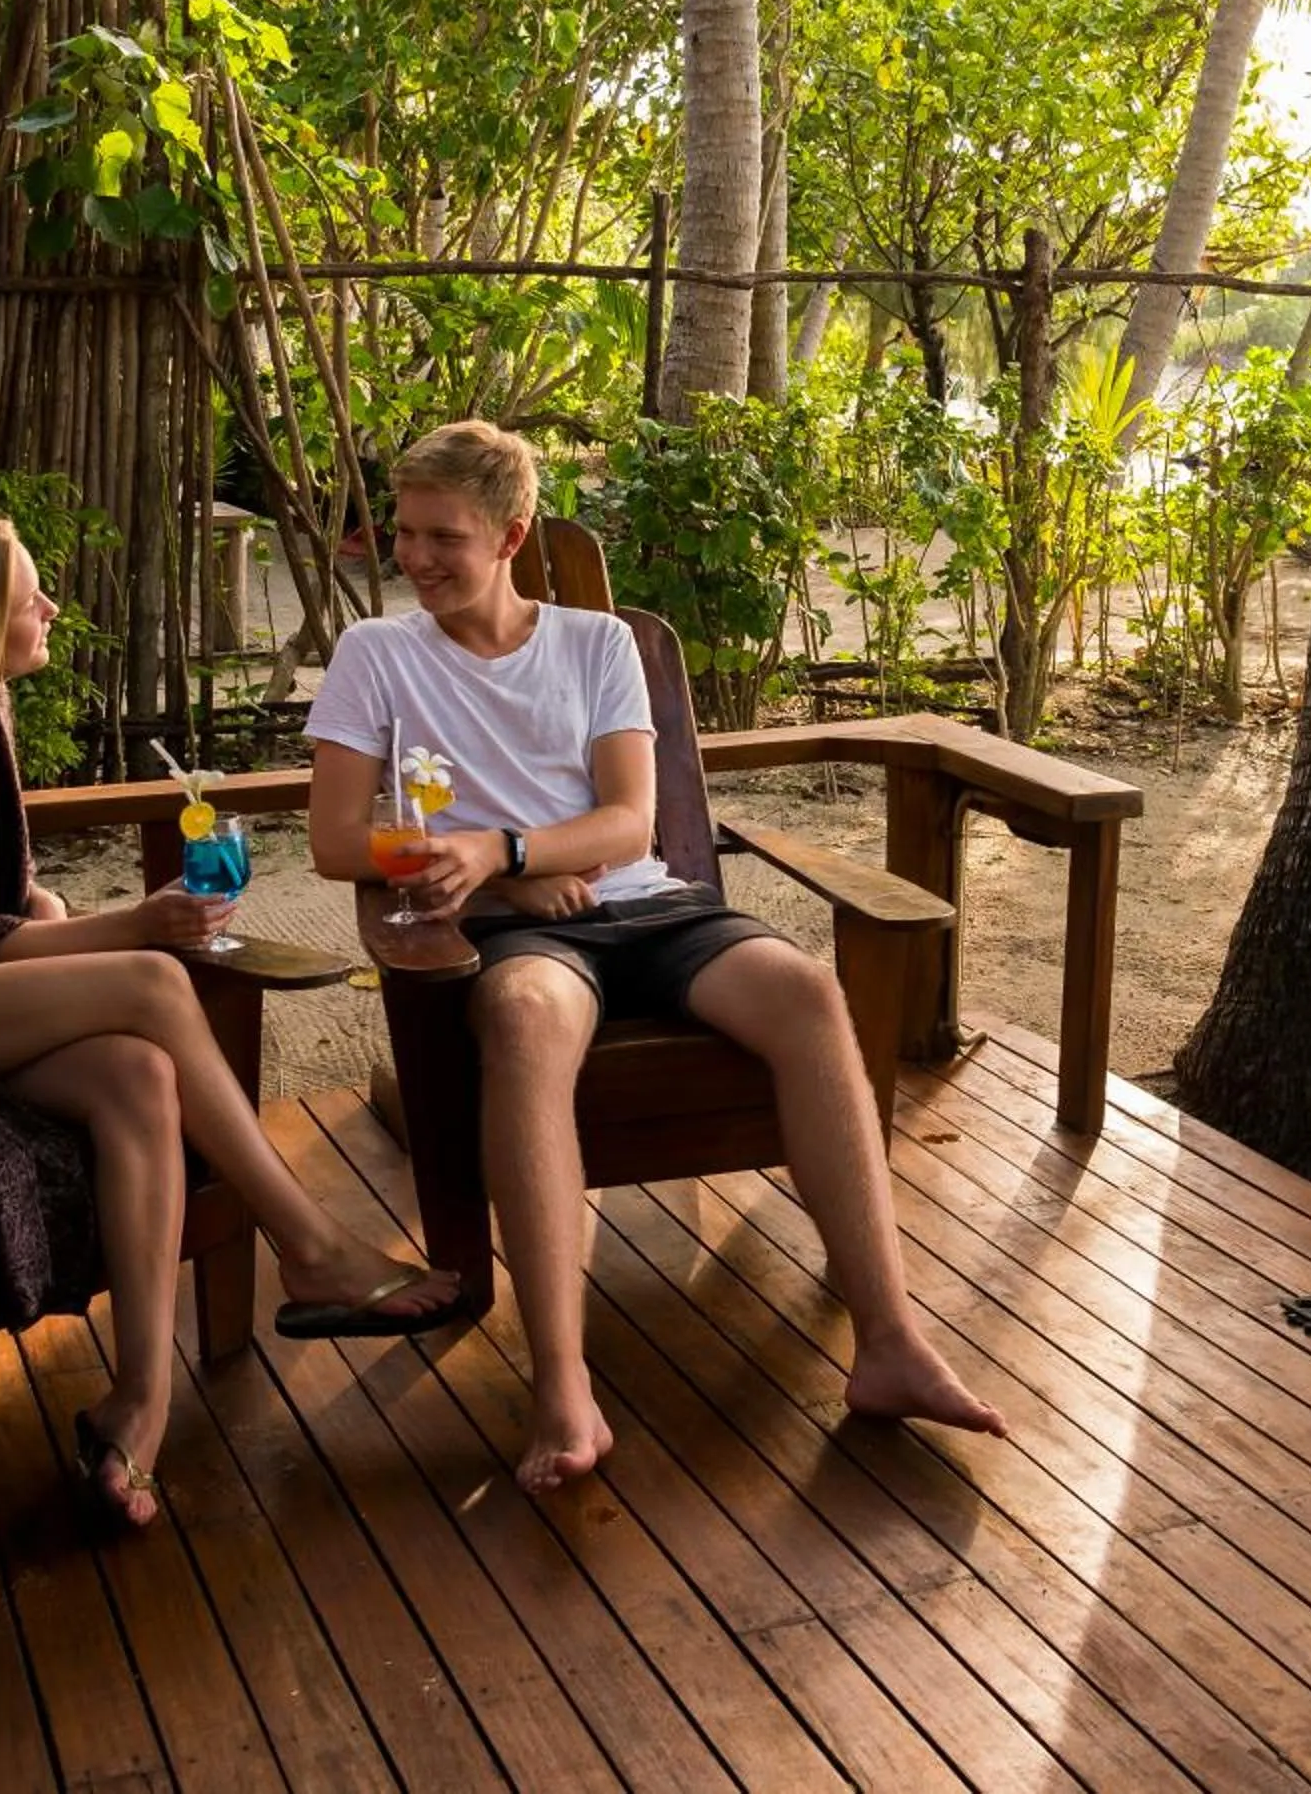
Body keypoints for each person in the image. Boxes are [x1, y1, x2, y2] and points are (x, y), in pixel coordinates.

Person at [305, 422, 1007, 1495]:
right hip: (511, 932)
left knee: (811, 993)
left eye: (444, 535)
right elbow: (336, 841)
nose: (416, 557)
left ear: (512, 536)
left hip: (645, 906)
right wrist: (502, 882)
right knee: (530, 1023)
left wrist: (508, 844)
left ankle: (891, 1339)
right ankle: (560, 1382)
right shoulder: (379, 657)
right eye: (404, 533)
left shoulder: (596, 644)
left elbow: (631, 825)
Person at [0, 513, 459, 1531]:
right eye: (29, 595)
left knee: (140, 1072)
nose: (50, 609)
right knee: (150, 982)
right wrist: (132, 920)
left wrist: (49, 913)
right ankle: (308, 1240)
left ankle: (141, 1398)